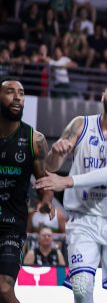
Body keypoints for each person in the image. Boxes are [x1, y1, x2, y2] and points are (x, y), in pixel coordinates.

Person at [37, 77, 107, 303]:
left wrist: (66, 181)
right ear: (103, 95)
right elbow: (51, 167)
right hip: (82, 219)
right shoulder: (80, 124)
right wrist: (56, 154)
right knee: (81, 289)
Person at [0, 78, 55, 303]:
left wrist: (47, 200)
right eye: (10, 92)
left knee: (4, 288)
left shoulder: (35, 140)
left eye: (21, 93)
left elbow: (44, 182)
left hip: (12, 225)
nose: (17, 97)